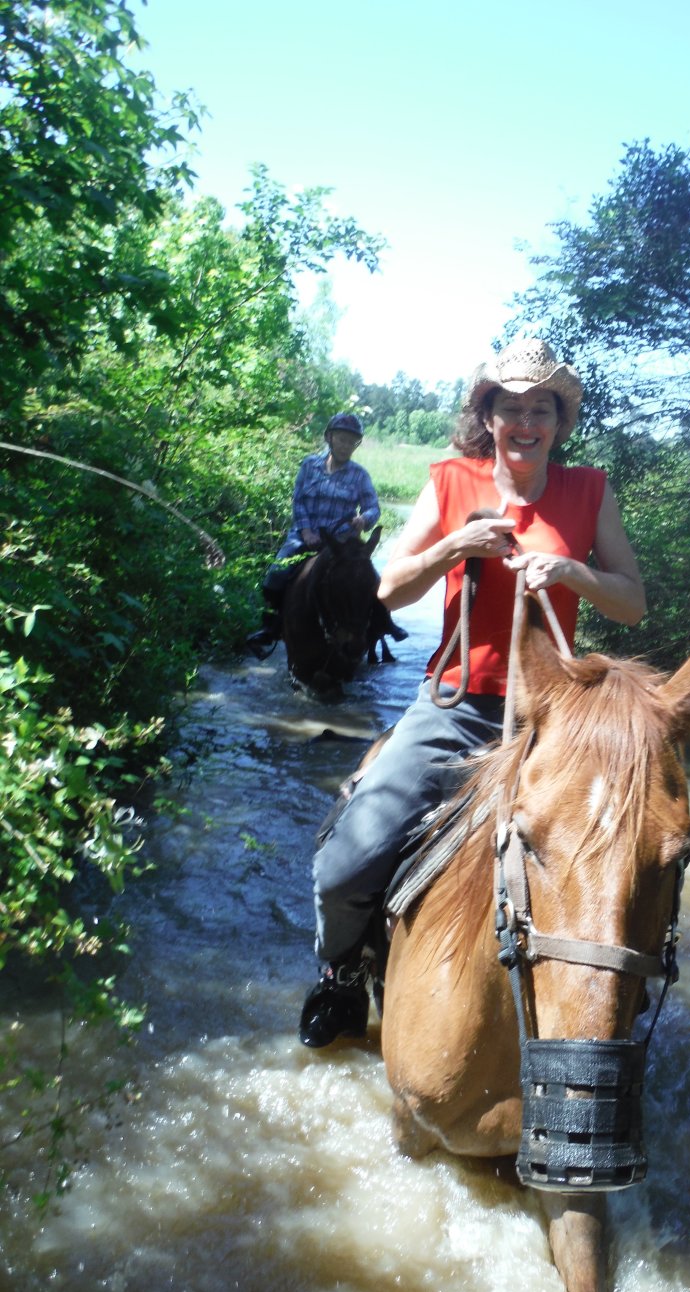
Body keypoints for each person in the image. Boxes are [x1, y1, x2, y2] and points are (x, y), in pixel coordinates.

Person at [299, 339, 646, 1046]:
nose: (525, 422)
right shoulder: (452, 482)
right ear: (488, 416)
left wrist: (573, 572)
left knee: (639, 852)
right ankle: (343, 972)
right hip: (455, 710)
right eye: (509, 407)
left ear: (558, 420)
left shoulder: (590, 491)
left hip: (553, 719)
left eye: (539, 408)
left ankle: (618, 994)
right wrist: (455, 549)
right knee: (343, 868)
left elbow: (633, 602)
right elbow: (388, 593)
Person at [245, 411, 397, 658]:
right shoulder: (309, 465)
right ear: (330, 438)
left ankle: (381, 627)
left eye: (351, 441)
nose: (346, 445)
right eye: (341, 439)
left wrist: (363, 519)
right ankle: (270, 627)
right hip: (305, 535)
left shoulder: (360, 474)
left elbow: (373, 507)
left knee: (371, 582)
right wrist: (306, 531)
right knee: (275, 576)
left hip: (343, 542)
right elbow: (299, 501)